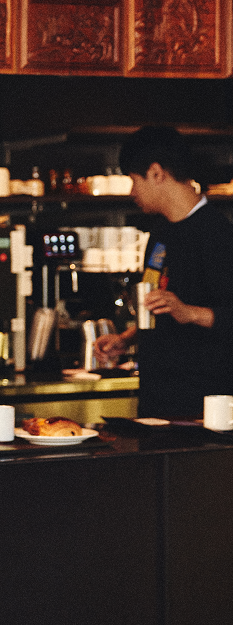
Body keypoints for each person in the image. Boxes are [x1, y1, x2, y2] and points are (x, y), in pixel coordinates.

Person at [95, 125, 233, 419]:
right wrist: (127, 338)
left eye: (134, 180)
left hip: (202, 406)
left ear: (156, 173)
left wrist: (190, 312)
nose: (132, 192)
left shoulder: (218, 234)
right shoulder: (160, 233)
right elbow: (159, 306)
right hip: (155, 398)